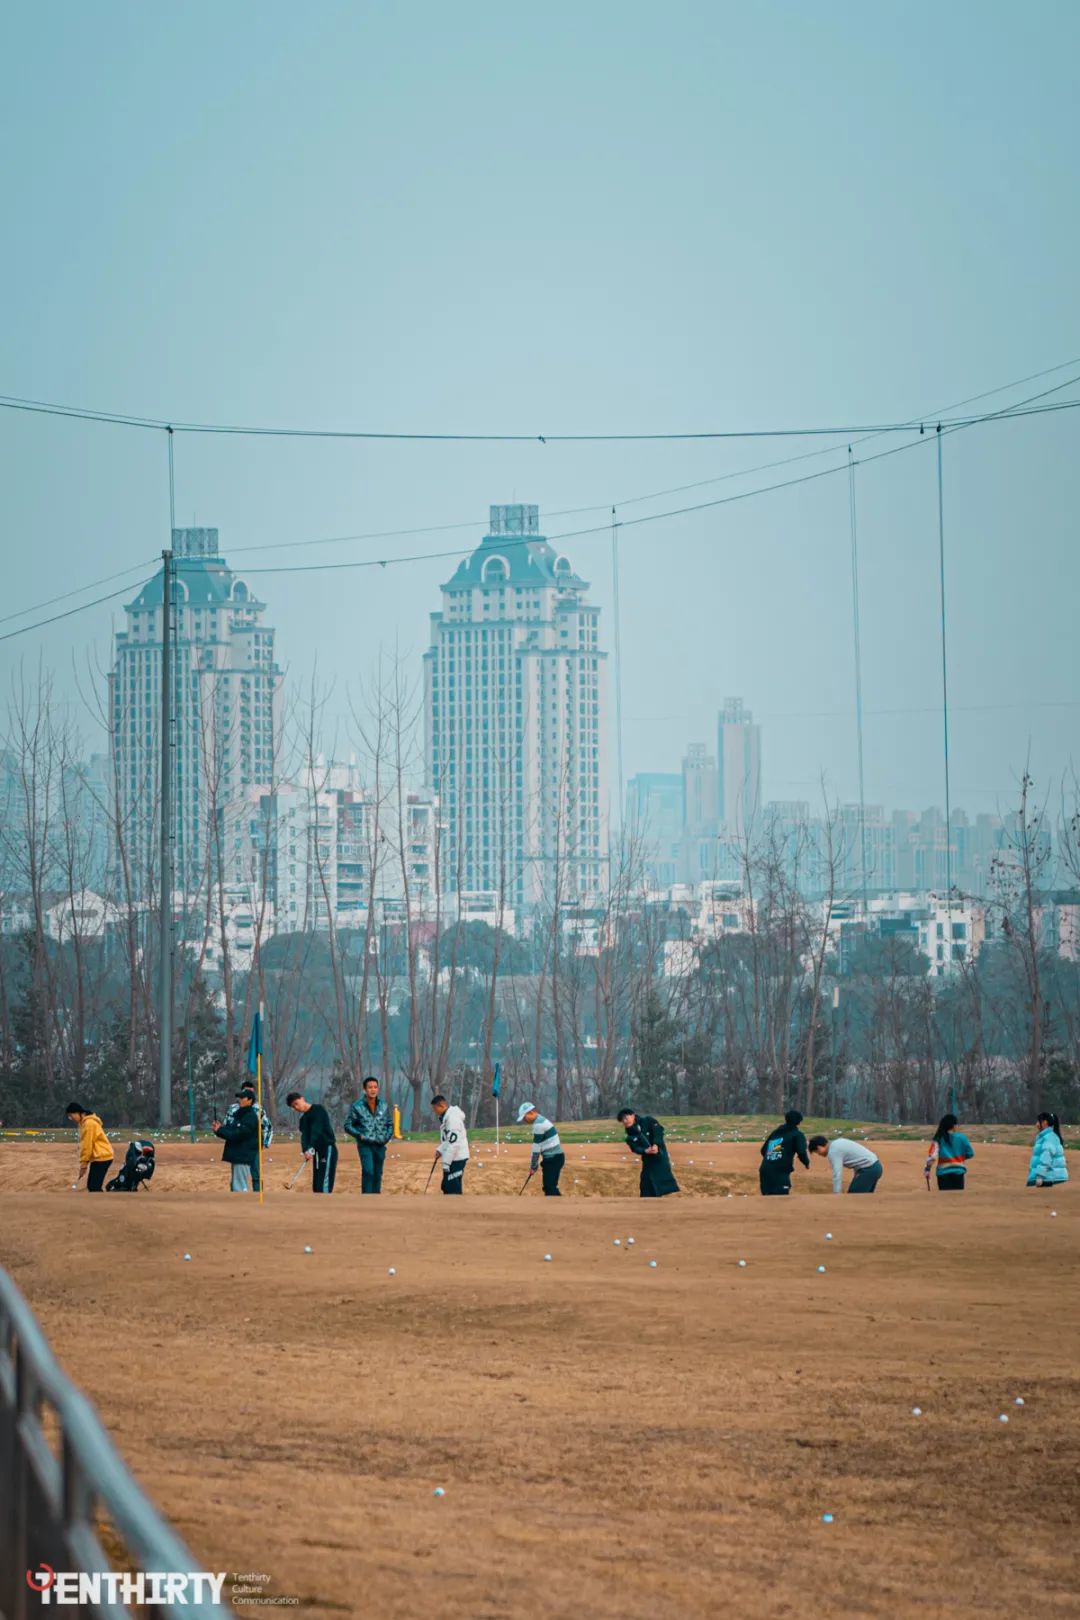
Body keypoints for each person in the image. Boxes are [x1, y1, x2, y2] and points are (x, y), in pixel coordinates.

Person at [343, 1076, 395, 1193]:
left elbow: (389, 1124)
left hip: (380, 1145)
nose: (373, 1090)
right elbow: (348, 1125)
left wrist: (386, 1137)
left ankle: (376, 1200)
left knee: (377, 1174)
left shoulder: (384, 1105)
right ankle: (366, 1199)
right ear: (364, 1090)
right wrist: (359, 1135)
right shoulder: (357, 1106)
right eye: (370, 1087)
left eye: (375, 1087)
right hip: (365, 1144)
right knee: (368, 1171)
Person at [616, 1108, 680, 1198]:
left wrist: (656, 1144)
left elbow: (658, 1131)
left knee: (661, 1179)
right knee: (646, 1182)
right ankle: (648, 1202)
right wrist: (645, 1151)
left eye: (626, 1117)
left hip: (660, 1156)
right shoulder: (630, 1137)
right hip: (648, 1160)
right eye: (622, 1120)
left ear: (633, 1115)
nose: (625, 1121)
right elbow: (635, 1148)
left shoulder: (648, 1121)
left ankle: (660, 1201)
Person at [286, 1091, 338, 1193]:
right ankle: (317, 1206)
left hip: (327, 1148)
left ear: (302, 1098)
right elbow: (304, 1136)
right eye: (293, 1106)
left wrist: (310, 1147)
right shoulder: (303, 1119)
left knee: (324, 1181)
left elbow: (316, 1130)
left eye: (296, 1103)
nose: (296, 1107)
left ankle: (324, 1205)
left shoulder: (318, 1110)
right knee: (317, 1183)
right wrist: (305, 1149)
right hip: (316, 1152)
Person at [222, 1085, 271, 1191]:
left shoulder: (259, 1109)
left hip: (255, 1145)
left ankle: (257, 1194)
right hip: (238, 1146)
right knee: (237, 1173)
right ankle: (236, 1193)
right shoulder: (233, 1109)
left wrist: (265, 1142)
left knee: (256, 1173)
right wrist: (222, 1131)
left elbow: (266, 1125)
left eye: (250, 1092)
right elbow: (228, 1124)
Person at [212, 1089, 259, 1192]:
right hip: (238, 1155)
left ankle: (243, 1206)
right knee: (236, 1184)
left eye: (242, 1098)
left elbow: (239, 1134)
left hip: (243, 1156)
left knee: (240, 1186)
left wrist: (220, 1130)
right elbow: (232, 1130)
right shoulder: (240, 1115)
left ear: (250, 1100)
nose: (240, 1100)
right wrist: (220, 1129)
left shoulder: (250, 1117)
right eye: (239, 1097)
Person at [808, 1133, 883, 1193]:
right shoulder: (837, 1142)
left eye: (817, 1152)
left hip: (868, 1169)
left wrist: (836, 1194)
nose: (819, 1154)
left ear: (819, 1147)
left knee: (853, 1197)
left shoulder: (833, 1151)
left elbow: (837, 1174)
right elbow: (857, 1160)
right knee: (864, 1198)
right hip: (875, 1166)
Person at [517, 1102, 565, 1196]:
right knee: (549, 1187)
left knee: (549, 1188)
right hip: (554, 1158)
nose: (524, 1120)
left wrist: (533, 1167)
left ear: (530, 1113)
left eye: (524, 1117)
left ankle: (559, 1208)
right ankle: (559, 1207)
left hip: (553, 1158)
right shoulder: (540, 1119)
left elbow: (536, 1149)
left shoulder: (538, 1125)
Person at [65, 1102, 114, 1193]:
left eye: (71, 1116)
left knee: (94, 1186)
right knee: (93, 1186)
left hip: (102, 1157)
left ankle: (103, 1205)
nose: (71, 1119)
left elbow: (87, 1145)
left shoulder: (89, 1124)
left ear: (77, 1113)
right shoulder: (84, 1123)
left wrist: (84, 1164)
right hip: (99, 1157)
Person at [759, 1110, 809, 1196]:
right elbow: (801, 1152)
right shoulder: (797, 1135)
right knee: (781, 1201)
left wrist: (773, 1158)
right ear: (799, 1122)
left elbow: (763, 1150)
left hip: (765, 1171)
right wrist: (806, 1162)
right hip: (780, 1173)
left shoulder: (775, 1133)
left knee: (767, 1200)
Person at [924, 1113, 975, 1191]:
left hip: (943, 1174)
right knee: (958, 1199)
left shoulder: (938, 1138)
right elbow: (970, 1153)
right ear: (953, 1125)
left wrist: (927, 1169)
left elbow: (932, 1157)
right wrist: (960, 1158)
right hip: (958, 1173)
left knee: (945, 1200)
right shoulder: (962, 1138)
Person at [431, 1094, 469, 1194]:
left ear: (442, 1106)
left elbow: (454, 1143)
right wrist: (440, 1149)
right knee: (448, 1185)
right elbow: (448, 1139)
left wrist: (446, 1163)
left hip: (457, 1158)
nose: (435, 1111)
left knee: (451, 1187)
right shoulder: (447, 1117)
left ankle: (455, 1209)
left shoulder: (452, 1119)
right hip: (453, 1157)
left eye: (435, 1108)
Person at [1027, 1111, 1069, 1188]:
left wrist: (1040, 1176)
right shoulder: (1046, 1136)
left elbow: (1046, 1157)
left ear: (1045, 1123)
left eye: (1038, 1121)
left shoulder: (1049, 1138)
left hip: (1047, 1177)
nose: (1036, 1124)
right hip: (1047, 1177)